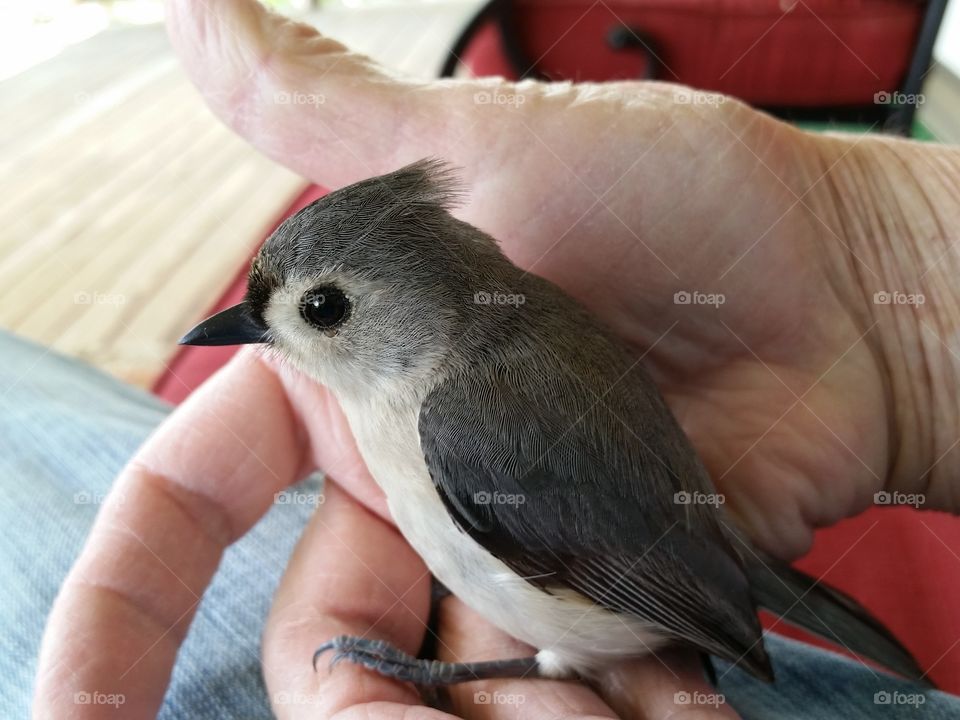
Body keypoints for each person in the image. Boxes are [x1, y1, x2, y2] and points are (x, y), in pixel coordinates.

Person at [8, 0, 959, 717]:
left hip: (657, 587)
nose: (266, 336)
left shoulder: (464, 423)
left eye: (324, 311)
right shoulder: (505, 325)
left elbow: (628, 582)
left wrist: (443, 675)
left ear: (422, 312)